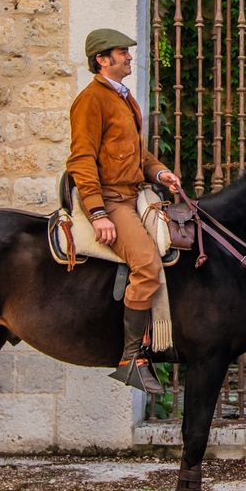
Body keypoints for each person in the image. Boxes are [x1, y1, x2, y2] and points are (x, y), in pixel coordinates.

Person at [66, 28, 183, 394]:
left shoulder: (123, 97)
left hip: (134, 194)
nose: (130, 57)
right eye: (122, 52)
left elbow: (137, 154)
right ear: (103, 60)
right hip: (112, 200)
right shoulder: (91, 100)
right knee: (147, 265)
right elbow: (82, 159)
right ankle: (131, 358)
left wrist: (160, 172)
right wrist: (98, 213)